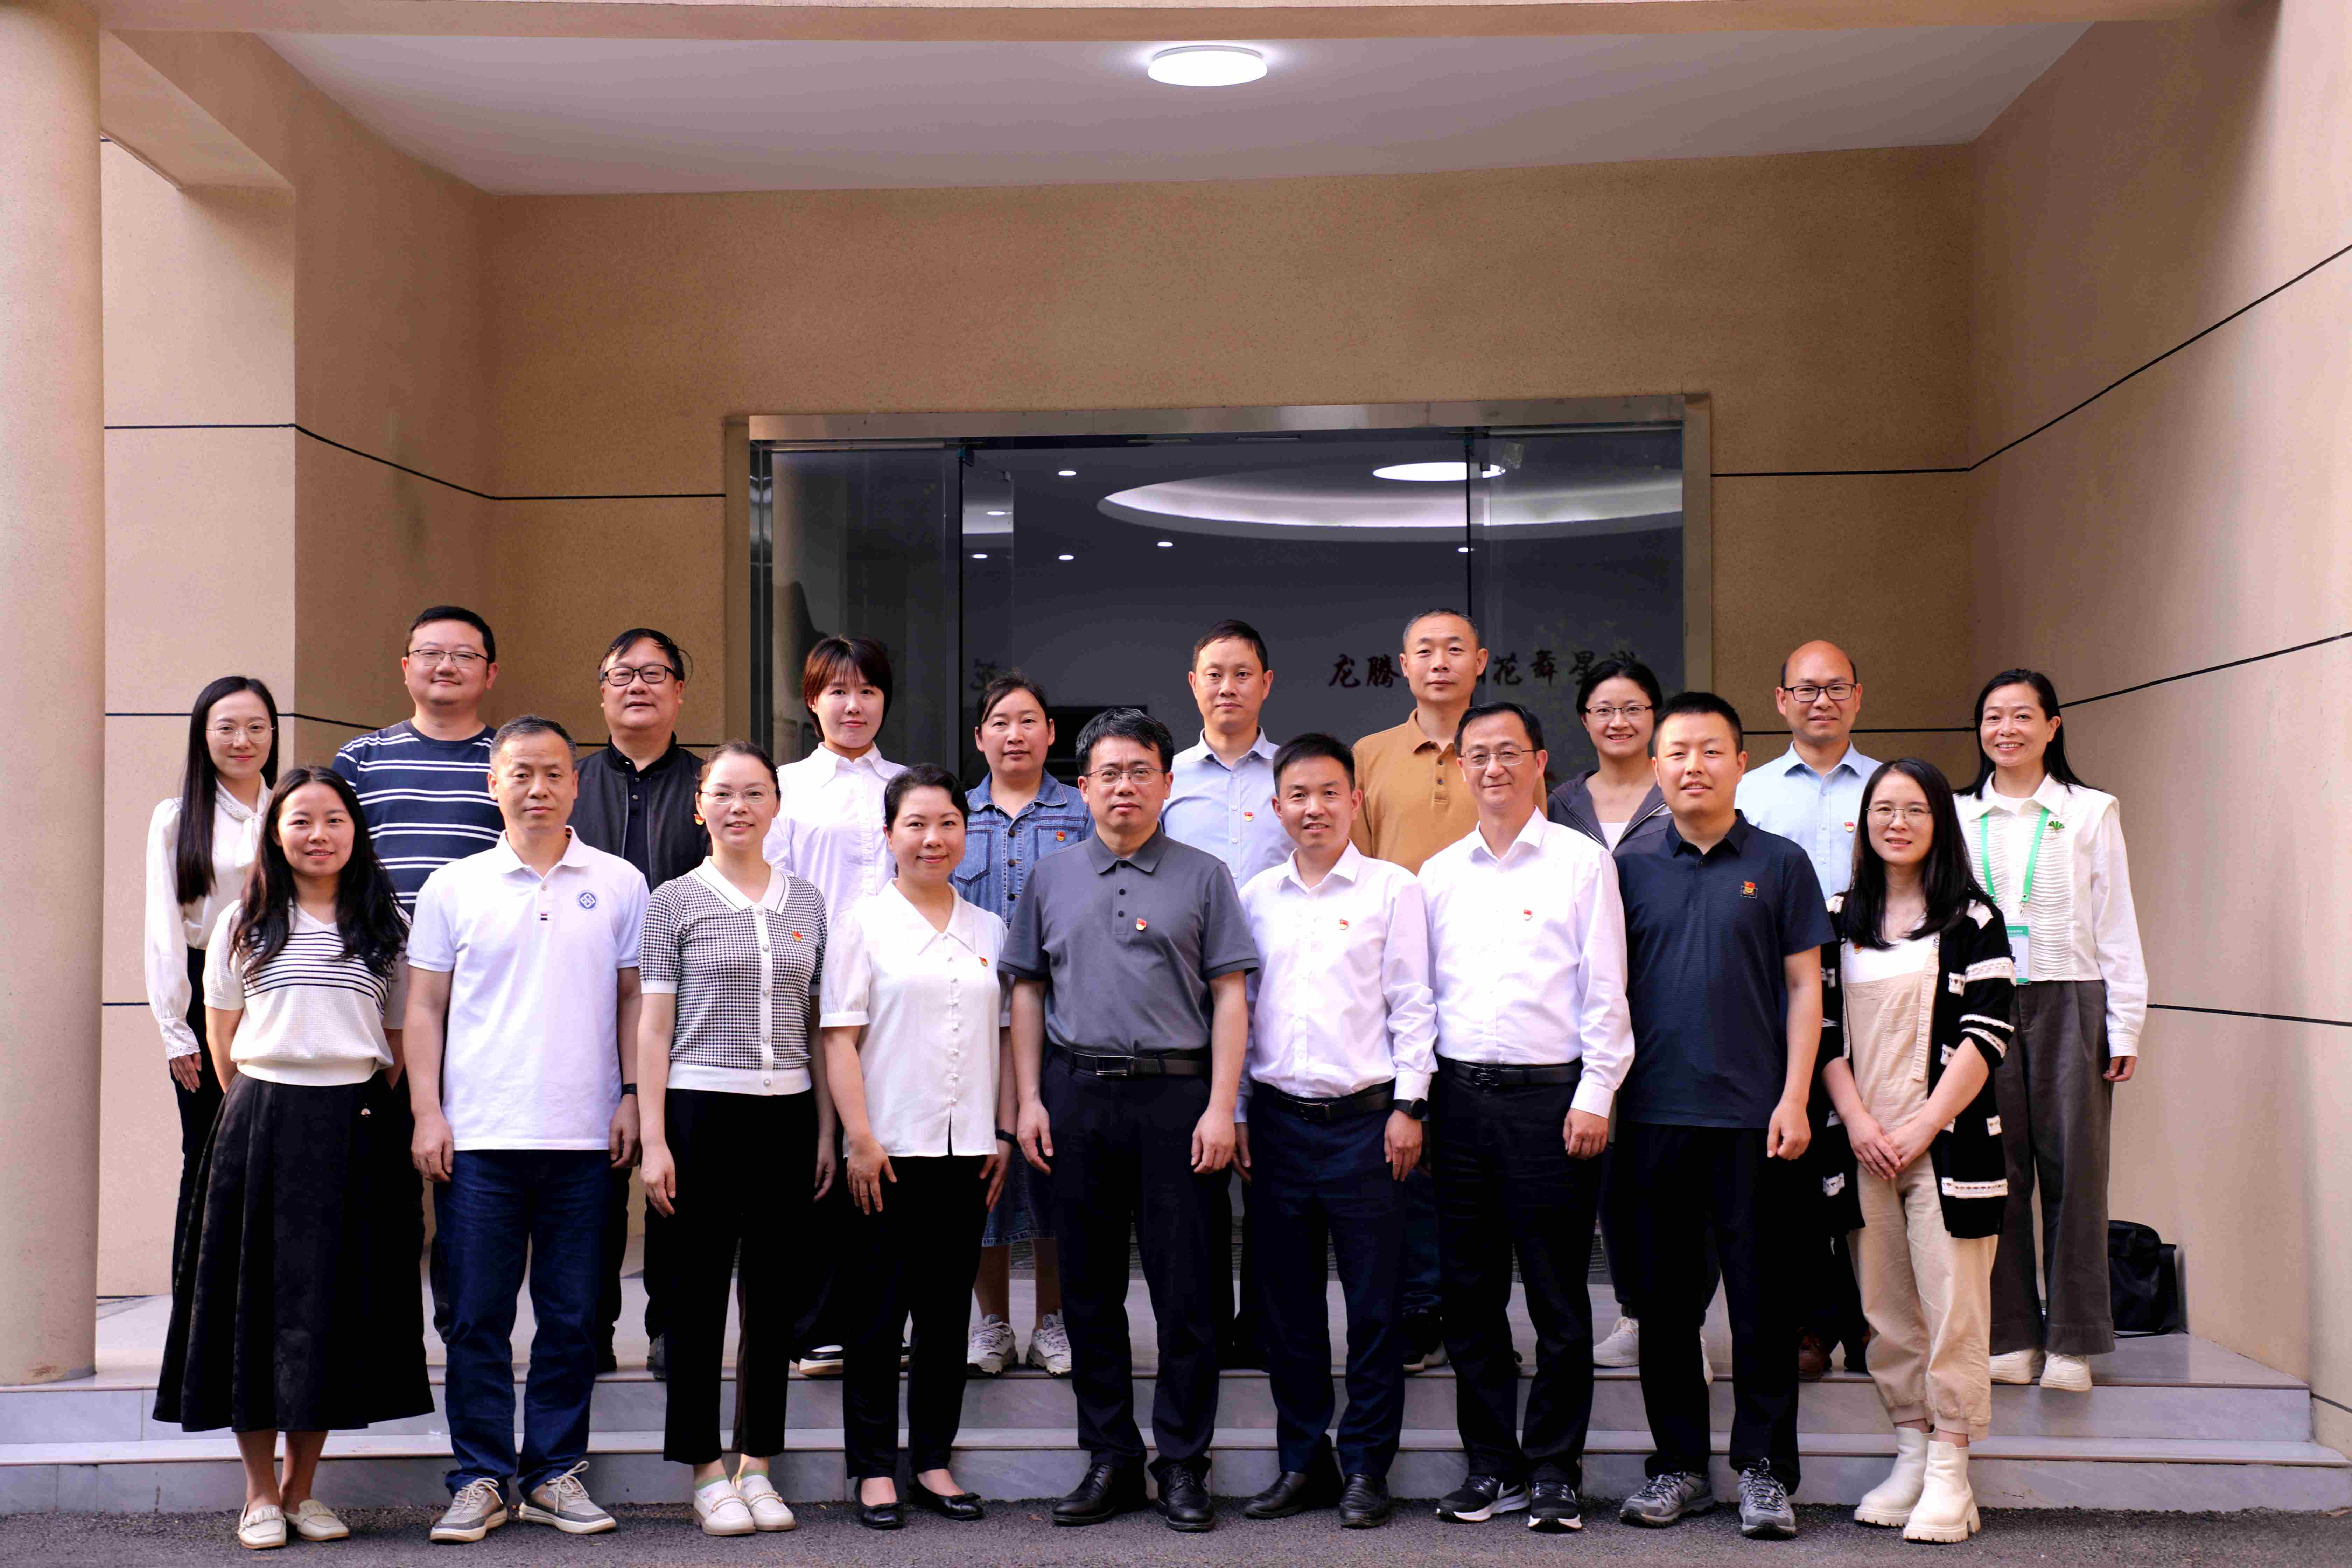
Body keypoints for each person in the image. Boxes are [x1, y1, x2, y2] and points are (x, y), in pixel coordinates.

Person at [153, 767, 428, 1551]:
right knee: (254, 1308)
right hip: (262, 1120)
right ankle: (260, 1495)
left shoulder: (386, 922)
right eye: (301, 819)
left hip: (354, 1122)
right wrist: (269, 1101)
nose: (318, 834)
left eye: (334, 819)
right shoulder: (244, 920)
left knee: (329, 1309)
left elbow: (397, 1038)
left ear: (356, 830)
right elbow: (223, 1038)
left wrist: (349, 1099)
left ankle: (304, 1490)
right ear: (276, 833)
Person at [1004, 708, 1258, 1532]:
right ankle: (1110, 1455)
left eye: (1140, 771)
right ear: (1083, 788)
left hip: (1178, 1099)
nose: (1125, 786)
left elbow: (1230, 995)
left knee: (1188, 1292)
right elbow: (1028, 990)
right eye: (1109, 773)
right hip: (1076, 1095)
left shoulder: (1205, 876)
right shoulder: (1051, 877)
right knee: (1089, 1289)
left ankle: (1183, 1462)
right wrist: (1030, 1098)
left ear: (1167, 783)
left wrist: (1222, 1106)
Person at [405, 716, 648, 1545]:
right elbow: (424, 1006)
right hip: (481, 1137)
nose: (537, 788)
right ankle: (479, 1476)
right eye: (520, 773)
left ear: (576, 783)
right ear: (494, 783)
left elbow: (633, 999)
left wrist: (631, 1096)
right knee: (475, 1316)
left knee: (572, 1316)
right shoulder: (453, 886)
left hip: (587, 1136)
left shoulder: (619, 881)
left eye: (552, 773)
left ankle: (552, 1473)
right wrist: (428, 1111)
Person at [1612, 692, 1832, 1540]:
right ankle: (1677, 1465)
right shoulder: (1628, 866)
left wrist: (1795, 1096)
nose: (1693, 766)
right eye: (1677, 752)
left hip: (1757, 1121)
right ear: (1656, 768)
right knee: (1665, 1308)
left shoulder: (1781, 863)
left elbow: (1807, 986)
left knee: (1762, 1306)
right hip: (1652, 1119)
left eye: (1710, 750)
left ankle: (1765, 1471)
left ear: (1742, 762)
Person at [1418, 702, 1633, 1534]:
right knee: (1469, 1299)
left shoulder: (1582, 863)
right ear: (1460, 767)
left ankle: (1553, 1470)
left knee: (1557, 1298)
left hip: (1553, 1103)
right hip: (1460, 1103)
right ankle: (1492, 1467)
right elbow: (1421, 999)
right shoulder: (1438, 875)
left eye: (1510, 752)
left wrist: (1595, 1093)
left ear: (1541, 762)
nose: (1494, 768)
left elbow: (1606, 988)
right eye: (1478, 755)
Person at [1233, 734, 1435, 1531]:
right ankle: (1301, 1461)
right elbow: (1243, 1015)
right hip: (1278, 1123)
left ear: (1355, 801)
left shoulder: (1393, 890)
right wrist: (1239, 1112)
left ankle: (1366, 1468)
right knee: (1288, 1310)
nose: (1313, 809)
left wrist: (1411, 1107)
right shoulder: (1256, 896)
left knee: (1376, 1308)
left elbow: (1414, 1004)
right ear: (1277, 807)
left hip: (1368, 1126)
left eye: (1328, 793)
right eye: (1298, 796)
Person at [1816, 758, 2016, 1544]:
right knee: (1888, 1311)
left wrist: (1923, 1126)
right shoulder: (1838, 917)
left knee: (1953, 1309)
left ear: (1940, 822)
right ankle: (1910, 1451)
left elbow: (1987, 1035)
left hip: (1946, 1143)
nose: (1896, 823)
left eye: (1914, 810)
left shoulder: (1973, 918)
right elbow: (1821, 1032)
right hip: (1864, 1142)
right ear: (1864, 822)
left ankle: (1951, 1469)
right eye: (1883, 809)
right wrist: (1860, 1123)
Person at [636, 741, 830, 1538]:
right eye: (723, 793)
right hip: (699, 1113)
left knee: (773, 1298)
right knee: (695, 1296)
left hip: (788, 1113)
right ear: (700, 806)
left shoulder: (808, 901)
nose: (738, 807)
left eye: (754, 793)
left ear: (776, 806)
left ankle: (758, 1464)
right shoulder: (673, 902)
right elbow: (653, 1028)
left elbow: (817, 1025)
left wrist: (826, 1129)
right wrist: (654, 1140)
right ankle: (705, 1469)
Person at [822, 765, 1013, 1529]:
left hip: (968, 1152)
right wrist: (859, 1137)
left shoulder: (989, 928)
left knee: (944, 1317)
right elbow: (840, 1038)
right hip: (887, 1152)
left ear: (966, 833)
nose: (933, 839)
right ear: (889, 835)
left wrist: (1001, 1130)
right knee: (876, 1318)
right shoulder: (862, 923)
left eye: (948, 824)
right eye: (916, 824)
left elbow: (1006, 1038)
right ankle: (874, 1468)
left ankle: (933, 1460)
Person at [1955, 670, 2146, 1394]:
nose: (2006, 729)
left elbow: (2116, 920)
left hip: (2073, 998)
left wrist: (2125, 1025)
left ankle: (2073, 1341)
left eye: (2022, 716)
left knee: (2077, 1172)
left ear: (2052, 726)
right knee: (1994, 1172)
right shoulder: (1955, 813)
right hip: (1983, 1002)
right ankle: (2009, 1336)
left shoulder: (2091, 811)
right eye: (1993, 716)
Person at [1542, 658, 1694, 1378]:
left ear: (1654, 716)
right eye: (1604, 709)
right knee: (1610, 1173)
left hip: (1668, 1000)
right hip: (1584, 1007)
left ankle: (1679, 1323)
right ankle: (1634, 1314)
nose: (1619, 721)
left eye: (1633, 707)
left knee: (1669, 1170)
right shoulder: (1560, 802)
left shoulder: (1678, 791)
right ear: (1585, 720)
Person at [1350, 607, 1491, 1372]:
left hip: (1487, 982)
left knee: (1469, 1154)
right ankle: (1416, 1305)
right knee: (1406, 1148)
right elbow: (1359, 875)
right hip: (1397, 983)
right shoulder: (1370, 755)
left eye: (1455, 649)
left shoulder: (1501, 749)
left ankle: (1472, 1312)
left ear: (1481, 661)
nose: (1440, 662)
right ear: (1403, 665)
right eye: (1425, 651)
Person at [1737, 639, 1879, 1379]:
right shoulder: (1750, 793)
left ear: (1858, 696)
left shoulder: (1892, 786)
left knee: (1866, 1152)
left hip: (1878, 990)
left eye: (1835, 688)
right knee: (1794, 1162)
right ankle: (1810, 1323)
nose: (1821, 701)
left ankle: (1876, 1325)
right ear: (1781, 700)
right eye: (1806, 689)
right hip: (1783, 996)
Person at [765, 635, 906, 1377]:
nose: (854, 706)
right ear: (812, 700)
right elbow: (775, 887)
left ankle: (882, 1320)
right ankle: (816, 1324)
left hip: (896, 995)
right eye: (839, 691)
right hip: (812, 994)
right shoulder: (785, 786)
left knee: (889, 1149)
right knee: (819, 1155)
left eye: (869, 691)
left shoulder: (907, 785)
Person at [570, 628, 706, 1380]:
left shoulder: (709, 786)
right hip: (585, 1012)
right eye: (622, 674)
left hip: (689, 1015)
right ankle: (588, 1329)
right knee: (593, 1182)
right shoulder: (571, 781)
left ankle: (671, 1328)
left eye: (655, 673)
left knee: (673, 1177)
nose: (638, 686)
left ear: (680, 691)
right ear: (602, 692)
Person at [955, 673, 1087, 1379]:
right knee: (985, 1174)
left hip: (1060, 1021)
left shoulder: (1082, 812)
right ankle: (995, 1323)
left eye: (1029, 720)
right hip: (971, 1024)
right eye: (1001, 722)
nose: (1015, 734)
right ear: (980, 737)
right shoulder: (955, 814)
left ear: (1050, 733)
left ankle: (1053, 1320)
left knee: (1053, 1174)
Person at [1162, 619, 1287, 1371]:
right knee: (1200, 1172)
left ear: (1266, 683)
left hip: (1282, 995)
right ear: (1194, 684)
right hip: (1187, 1000)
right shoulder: (1168, 779)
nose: (1228, 687)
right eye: (1214, 673)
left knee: (1271, 1169)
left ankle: (1264, 1326)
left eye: (1243, 673)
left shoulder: (1294, 778)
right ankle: (1205, 1327)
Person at [144, 675, 276, 1292]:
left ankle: (264, 1307)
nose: (242, 740)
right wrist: (176, 1027)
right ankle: (195, 1313)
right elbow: (163, 925)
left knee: (275, 1152)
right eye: (226, 727)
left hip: (281, 990)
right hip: (205, 993)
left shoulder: (291, 810)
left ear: (273, 734)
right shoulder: (177, 818)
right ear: (203, 735)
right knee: (206, 1151)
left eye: (255, 727)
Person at [331, 605, 503, 915]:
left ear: (490, 674)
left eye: (464, 656)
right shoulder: (358, 757)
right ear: (406, 668)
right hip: (377, 938)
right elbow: (331, 856)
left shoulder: (512, 762)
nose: (446, 667)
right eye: (431, 654)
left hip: (482, 937)